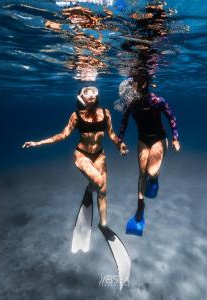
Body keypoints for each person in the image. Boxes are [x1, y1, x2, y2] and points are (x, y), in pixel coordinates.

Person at [22, 86, 130, 290]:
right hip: (81, 155)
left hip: (100, 155)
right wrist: (37, 143)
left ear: (96, 96)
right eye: (86, 93)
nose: (90, 96)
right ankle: (90, 189)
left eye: (93, 92)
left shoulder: (105, 113)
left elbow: (112, 134)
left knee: (104, 190)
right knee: (98, 183)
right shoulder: (75, 116)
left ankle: (103, 225)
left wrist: (120, 145)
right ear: (81, 97)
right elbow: (62, 135)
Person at [116, 74, 180, 236]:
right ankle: (140, 210)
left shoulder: (157, 101)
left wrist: (175, 138)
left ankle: (155, 178)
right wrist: (120, 141)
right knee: (142, 172)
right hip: (143, 139)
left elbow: (171, 117)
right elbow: (124, 121)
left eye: (132, 84)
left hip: (158, 139)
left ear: (143, 84)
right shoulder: (132, 104)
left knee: (151, 172)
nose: (129, 87)